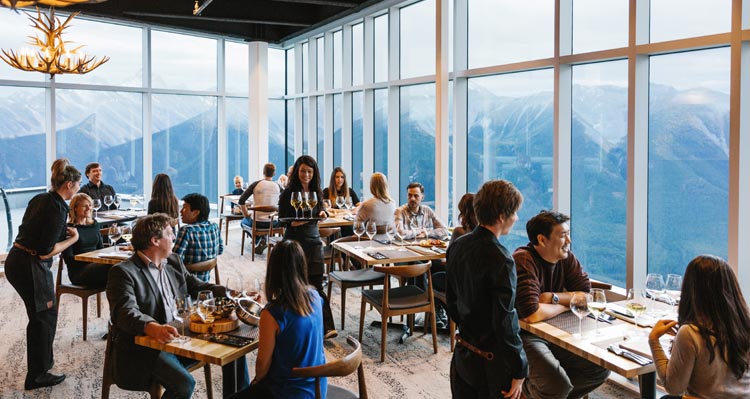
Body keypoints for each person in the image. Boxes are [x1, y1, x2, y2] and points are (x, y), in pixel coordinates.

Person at [107, 213, 249, 398]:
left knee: (235, 349)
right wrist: (153, 327)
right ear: (155, 240)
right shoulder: (123, 272)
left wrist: (233, 294)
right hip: (147, 347)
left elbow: (197, 286)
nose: (174, 237)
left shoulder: (173, 260)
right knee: (184, 384)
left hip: (182, 335)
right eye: (169, 233)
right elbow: (124, 312)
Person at [512, 210, 610, 399]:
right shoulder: (523, 259)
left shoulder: (566, 258)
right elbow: (532, 314)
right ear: (542, 239)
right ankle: (542, 392)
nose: (569, 241)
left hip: (559, 331)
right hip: (525, 335)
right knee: (557, 385)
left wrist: (552, 298)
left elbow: (587, 297)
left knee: (600, 369)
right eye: (563, 235)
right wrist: (569, 304)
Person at [446, 179, 527, 398]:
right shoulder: (502, 259)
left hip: (463, 353)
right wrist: (520, 367)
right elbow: (505, 320)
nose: (516, 218)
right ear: (502, 217)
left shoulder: (457, 245)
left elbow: (451, 300)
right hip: (490, 363)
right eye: (514, 213)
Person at [5, 158, 81, 390]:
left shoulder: (41, 198)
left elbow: (36, 232)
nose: (78, 189)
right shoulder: (58, 207)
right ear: (68, 184)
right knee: (43, 317)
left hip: (15, 259)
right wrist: (73, 239)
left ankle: (41, 368)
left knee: (42, 315)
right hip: (30, 264)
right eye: (77, 185)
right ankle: (37, 375)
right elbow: (45, 252)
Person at [231, 240, 327, 399]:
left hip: (287, 392)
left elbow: (262, 367)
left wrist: (255, 383)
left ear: (273, 270)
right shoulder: (315, 296)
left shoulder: (272, 314)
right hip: (317, 388)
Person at [648, 255, 750, 398]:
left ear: (691, 290)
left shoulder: (690, 333)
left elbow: (674, 387)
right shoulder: (744, 326)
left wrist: (653, 340)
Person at [277, 155, 337, 339]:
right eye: (303, 171)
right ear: (297, 171)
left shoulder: (317, 192)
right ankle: (293, 325)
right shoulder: (288, 193)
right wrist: (293, 222)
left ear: (314, 173)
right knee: (293, 286)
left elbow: (321, 210)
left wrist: (323, 212)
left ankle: (326, 327)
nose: (306, 174)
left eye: (309, 171)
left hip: (313, 241)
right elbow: (282, 218)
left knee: (316, 285)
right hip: (294, 243)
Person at [173, 193, 224, 282]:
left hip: (186, 283)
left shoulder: (186, 231)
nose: (181, 211)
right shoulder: (214, 227)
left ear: (196, 212)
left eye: (184, 208)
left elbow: (175, 261)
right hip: (206, 282)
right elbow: (220, 250)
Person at [62, 193, 108, 288]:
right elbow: (69, 259)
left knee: (120, 268)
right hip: (79, 273)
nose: (89, 208)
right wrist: (91, 261)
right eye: (84, 206)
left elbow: (101, 249)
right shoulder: (69, 229)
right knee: (114, 269)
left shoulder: (94, 224)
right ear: (75, 208)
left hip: (96, 267)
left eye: (90, 205)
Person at [239, 163, 282, 255]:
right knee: (267, 222)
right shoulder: (278, 186)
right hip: (273, 223)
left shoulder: (256, 184)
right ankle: (262, 239)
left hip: (257, 223)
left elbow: (241, 200)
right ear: (274, 174)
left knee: (242, 222)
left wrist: (246, 215)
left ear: (263, 172)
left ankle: (259, 239)